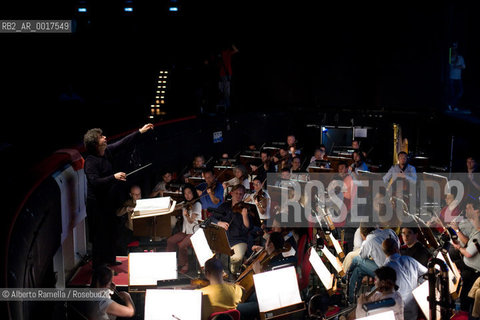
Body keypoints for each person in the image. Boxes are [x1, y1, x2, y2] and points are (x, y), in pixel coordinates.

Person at [84, 123, 153, 268]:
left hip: (108, 201)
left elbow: (123, 143)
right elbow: (95, 181)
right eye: (101, 137)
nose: (105, 137)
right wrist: (113, 177)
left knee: (112, 232)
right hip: (96, 205)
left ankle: (110, 259)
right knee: (99, 237)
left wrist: (139, 131)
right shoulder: (90, 161)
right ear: (96, 143)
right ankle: (98, 267)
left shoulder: (107, 151)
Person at [347, 226, 399, 303]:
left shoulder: (369, 240)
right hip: (392, 265)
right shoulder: (390, 231)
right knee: (358, 270)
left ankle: (346, 277)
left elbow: (362, 256)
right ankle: (350, 299)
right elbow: (397, 245)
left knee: (356, 259)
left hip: (384, 271)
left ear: (363, 234)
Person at [210, 184, 252, 275]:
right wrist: (219, 223)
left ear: (243, 195)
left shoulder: (245, 208)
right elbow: (212, 218)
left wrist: (244, 215)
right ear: (231, 193)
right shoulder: (225, 206)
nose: (238, 196)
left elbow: (247, 228)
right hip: (224, 238)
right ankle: (222, 272)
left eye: (240, 194)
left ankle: (231, 273)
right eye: (236, 193)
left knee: (236, 258)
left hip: (239, 240)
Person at [382, 237, 427, 320]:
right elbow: (426, 273)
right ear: (396, 249)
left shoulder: (384, 269)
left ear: (384, 252)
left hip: (396, 313)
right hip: (414, 310)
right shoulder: (409, 260)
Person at [451, 200, 480, 311]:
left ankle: (463, 310)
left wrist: (459, 247)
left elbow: (468, 253)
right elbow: (468, 243)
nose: (466, 210)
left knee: (466, 299)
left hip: (474, 272)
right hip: (469, 267)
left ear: (477, 211)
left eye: (469, 208)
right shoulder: (475, 227)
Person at [166, 184, 201, 274]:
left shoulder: (197, 204)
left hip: (194, 232)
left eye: (189, 193)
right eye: (185, 193)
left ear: (193, 193)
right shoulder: (185, 204)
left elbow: (191, 221)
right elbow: (173, 208)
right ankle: (170, 262)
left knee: (182, 245)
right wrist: (172, 205)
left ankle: (185, 264)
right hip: (185, 231)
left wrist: (186, 215)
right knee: (170, 240)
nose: (187, 195)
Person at [115, 184, 142, 255]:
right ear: (131, 195)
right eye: (135, 194)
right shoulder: (128, 203)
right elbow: (118, 213)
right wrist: (127, 209)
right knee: (120, 243)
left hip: (143, 231)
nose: (138, 196)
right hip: (131, 230)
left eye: (139, 194)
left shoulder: (145, 202)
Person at [217, 43, 239, 112]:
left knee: (226, 90)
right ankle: (227, 106)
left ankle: (228, 105)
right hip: (224, 73)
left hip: (226, 73)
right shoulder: (223, 53)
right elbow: (236, 50)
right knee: (225, 90)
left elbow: (236, 51)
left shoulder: (227, 53)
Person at [447, 42, 466, 111]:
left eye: (456, 49)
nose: (455, 51)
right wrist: (458, 65)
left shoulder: (461, 57)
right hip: (451, 77)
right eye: (453, 49)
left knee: (460, 92)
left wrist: (458, 66)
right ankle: (453, 106)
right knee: (452, 93)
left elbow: (464, 67)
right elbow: (452, 66)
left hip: (458, 78)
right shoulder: (450, 58)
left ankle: (451, 104)